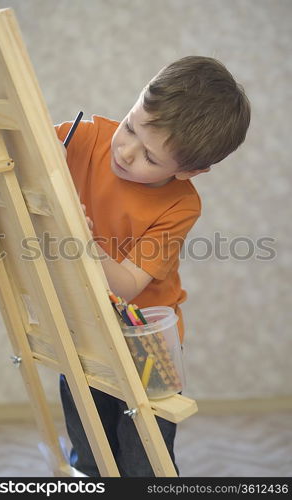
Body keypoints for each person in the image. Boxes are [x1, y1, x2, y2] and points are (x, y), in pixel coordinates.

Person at [55, 56, 251, 477]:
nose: (125, 150)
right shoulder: (84, 140)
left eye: (150, 157)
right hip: (85, 329)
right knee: (90, 456)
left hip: (149, 343)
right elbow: (16, 156)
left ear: (189, 171)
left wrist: (85, 244)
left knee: (145, 465)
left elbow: (125, 285)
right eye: (130, 126)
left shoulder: (181, 204)